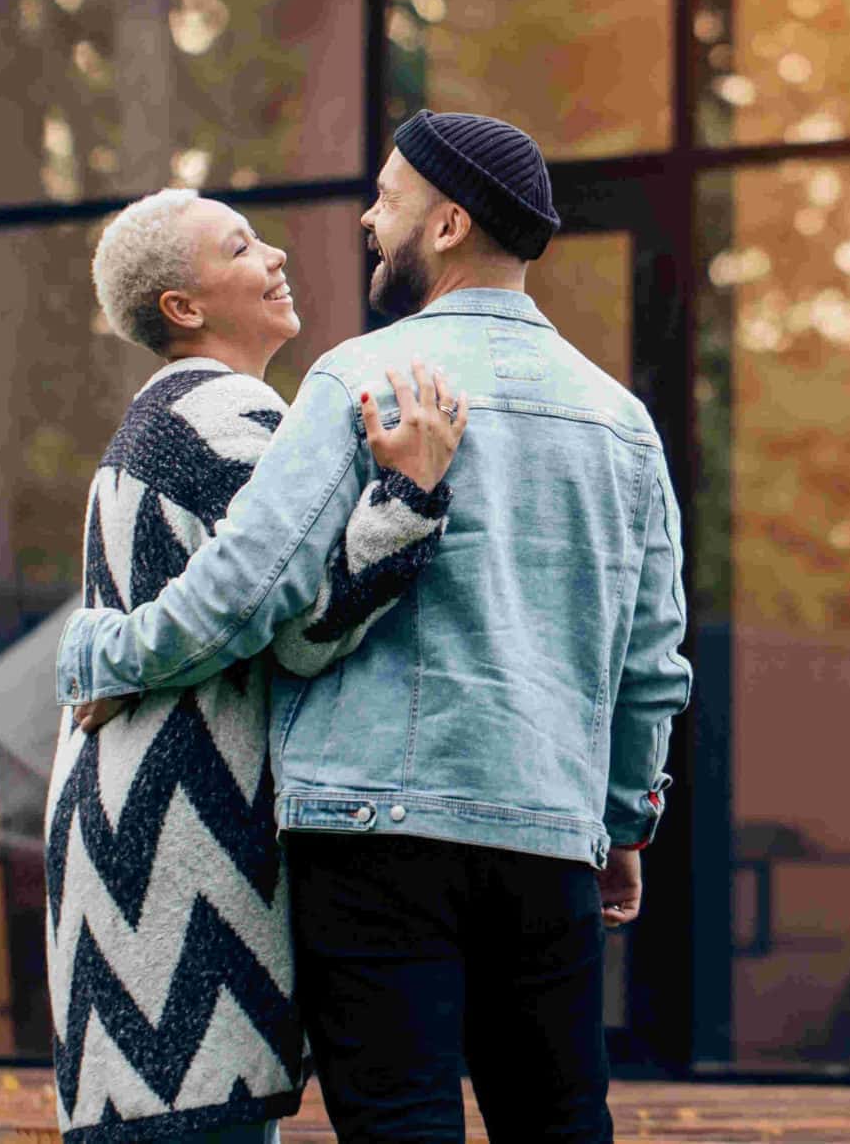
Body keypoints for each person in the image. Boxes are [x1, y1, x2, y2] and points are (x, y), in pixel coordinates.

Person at [59, 111, 694, 1144]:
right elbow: (650, 660)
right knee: (561, 1121)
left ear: (445, 226)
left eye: (388, 198)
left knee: (399, 1123)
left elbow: (243, 592)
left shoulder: (358, 378)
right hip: (546, 829)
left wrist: (104, 649)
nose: (366, 218)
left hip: (372, 838)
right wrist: (624, 822)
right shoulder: (620, 421)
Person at [45, 187, 469, 1144]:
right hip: (182, 829)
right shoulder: (224, 409)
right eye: (239, 247)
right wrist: (410, 492)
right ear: (183, 308)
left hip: (134, 829)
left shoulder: (161, 415)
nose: (274, 254)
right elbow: (301, 626)